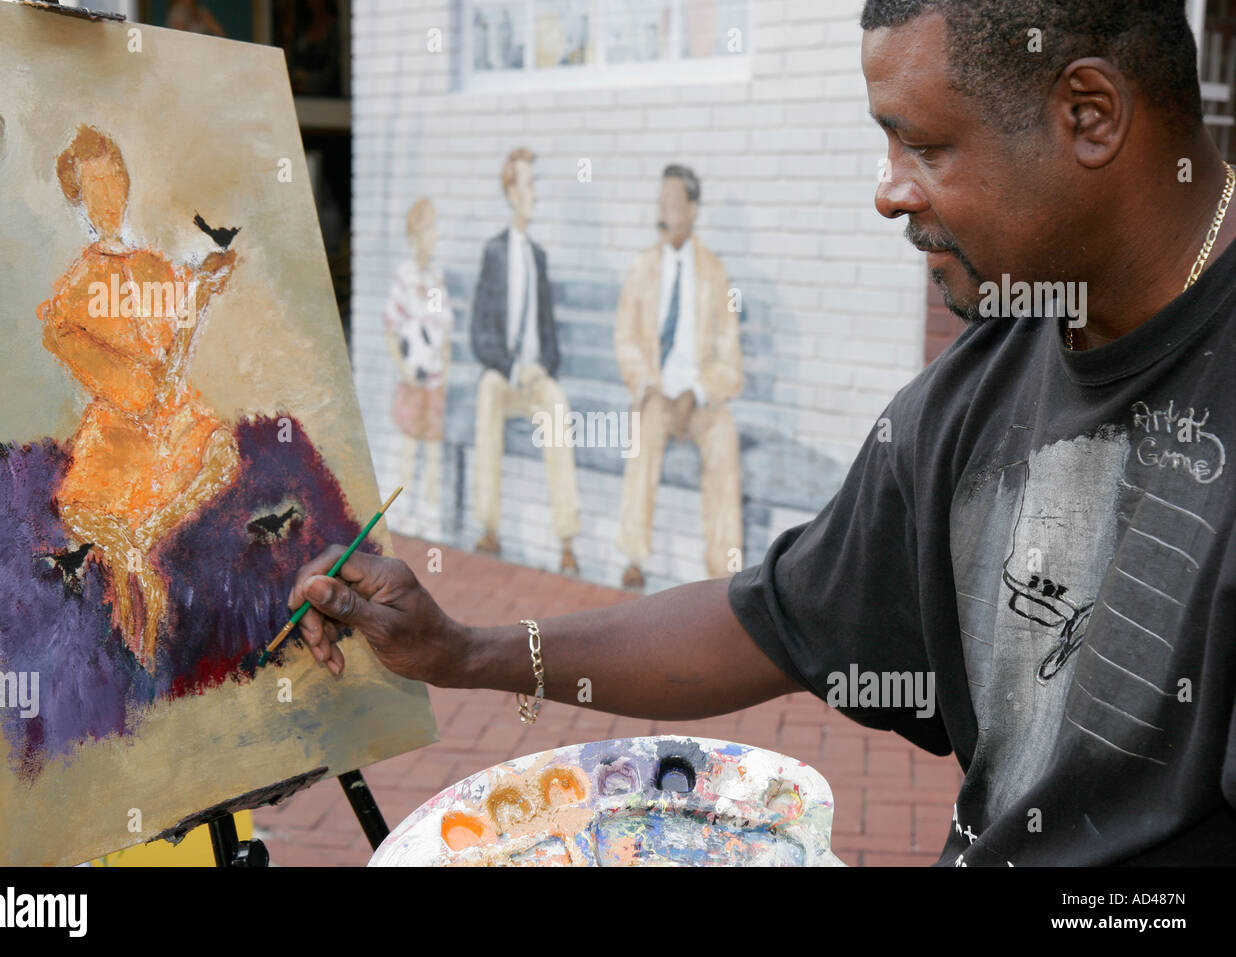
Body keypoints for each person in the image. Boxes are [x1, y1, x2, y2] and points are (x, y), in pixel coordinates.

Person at [286, 0, 1236, 865]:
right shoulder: (973, 393)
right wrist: (466, 650)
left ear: (1090, 116)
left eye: (925, 146)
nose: (889, 192)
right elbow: (775, 618)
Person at [38, 125, 238, 671]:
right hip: (123, 425)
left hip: (167, 414)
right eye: (94, 184)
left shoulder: (154, 266)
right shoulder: (77, 286)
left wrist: (202, 289)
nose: (109, 194)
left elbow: (176, 348)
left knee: (221, 455)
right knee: (91, 508)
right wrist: (148, 386)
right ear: (78, 198)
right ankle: (132, 589)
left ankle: (137, 544)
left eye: (114, 178)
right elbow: (125, 384)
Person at [614, 165, 742, 589]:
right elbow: (626, 340)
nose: (664, 208)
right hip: (657, 395)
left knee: (724, 439)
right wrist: (648, 386)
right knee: (642, 433)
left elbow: (731, 362)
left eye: (673, 200)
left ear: (692, 209)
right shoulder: (642, 267)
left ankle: (722, 574)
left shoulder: (714, 272)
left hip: (700, 401)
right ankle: (634, 557)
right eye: (660, 199)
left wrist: (698, 391)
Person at [470, 147, 581, 574]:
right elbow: (479, 331)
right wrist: (510, 366)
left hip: (534, 377)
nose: (535, 194)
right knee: (486, 394)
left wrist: (543, 367)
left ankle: (567, 538)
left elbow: (549, 333)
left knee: (558, 405)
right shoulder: (494, 253)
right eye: (529, 185)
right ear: (512, 192)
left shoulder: (540, 258)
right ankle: (489, 528)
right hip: (502, 373)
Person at [383, 197, 453, 512]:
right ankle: (406, 507)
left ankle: (431, 506)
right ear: (415, 235)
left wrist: (445, 367)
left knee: (434, 443)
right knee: (410, 442)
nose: (435, 235)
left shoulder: (435, 278)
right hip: (413, 377)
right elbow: (392, 330)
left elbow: (443, 329)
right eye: (429, 229)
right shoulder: (405, 276)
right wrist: (404, 367)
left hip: (435, 376)